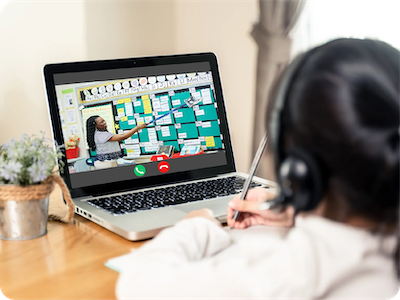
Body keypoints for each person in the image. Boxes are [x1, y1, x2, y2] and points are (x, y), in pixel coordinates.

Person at [115, 38, 400, 299]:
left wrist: (197, 226)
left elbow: (136, 283)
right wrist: (294, 212)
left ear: (299, 170)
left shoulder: (295, 275)